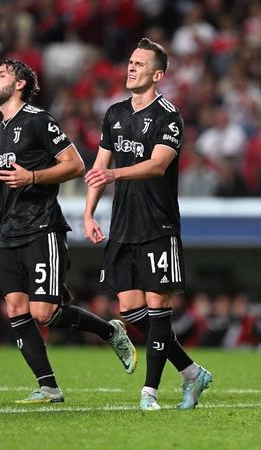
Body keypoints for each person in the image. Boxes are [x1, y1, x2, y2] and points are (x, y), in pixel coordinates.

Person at [0, 58, 136, 404]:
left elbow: (75, 165)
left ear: (20, 85)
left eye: (2, 74)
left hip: (41, 227)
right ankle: (49, 387)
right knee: (16, 309)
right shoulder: (0, 131)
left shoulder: (37, 120)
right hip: (9, 231)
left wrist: (31, 177)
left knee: (42, 312)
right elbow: (10, 181)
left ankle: (109, 330)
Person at [83, 38, 212, 411]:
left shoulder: (169, 116)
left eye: (139, 63)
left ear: (158, 74)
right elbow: (98, 168)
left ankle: (149, 393)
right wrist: (89, 213)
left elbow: (157, 165)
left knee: (158, 308)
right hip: (123, 225)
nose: (131, 67)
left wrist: (113, 174)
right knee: (132, 312)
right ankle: (191, 372)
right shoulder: (114, 113)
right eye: (130, 61)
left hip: (158, 224)